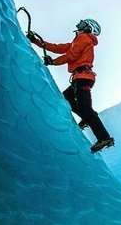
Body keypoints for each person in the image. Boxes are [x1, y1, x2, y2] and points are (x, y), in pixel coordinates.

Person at [27, 18, 114, 153]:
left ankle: (104, 137)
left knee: (85, 108)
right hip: (80, 78)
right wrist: (37, 42)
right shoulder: (78, 41)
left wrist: (53, 62)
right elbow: (59, 48)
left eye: (84, 23)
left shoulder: (84, 38)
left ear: (88, 28)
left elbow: (71, 55)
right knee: (67, 98)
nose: (80, 23)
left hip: (83, 77)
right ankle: (86, 117)